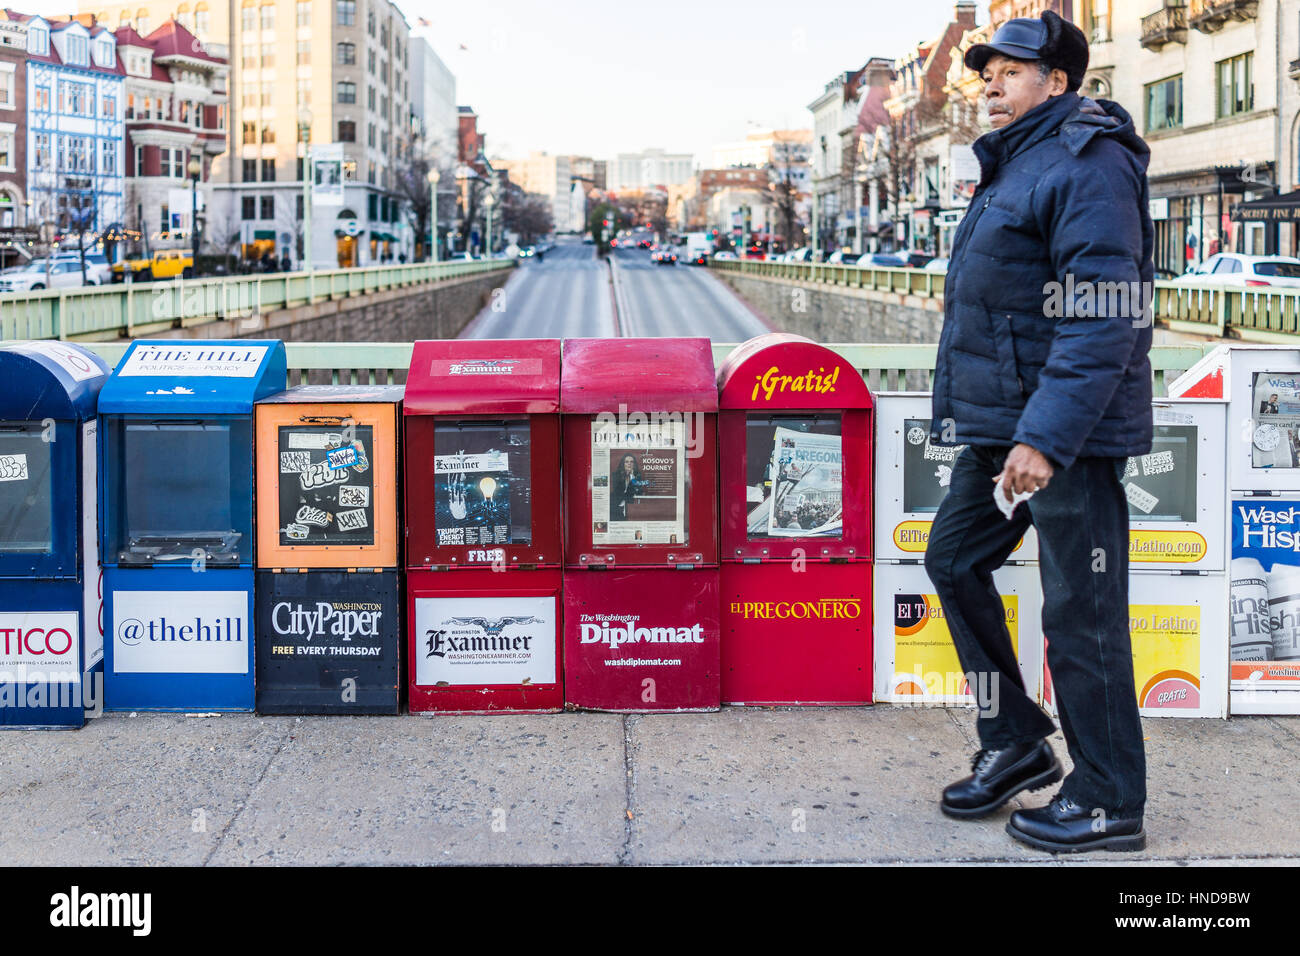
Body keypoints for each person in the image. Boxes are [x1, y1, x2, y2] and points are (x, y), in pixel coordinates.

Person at [924, 10, 1153, 853]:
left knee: (1080, 615)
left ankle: (1107, 799)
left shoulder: (1087, 164)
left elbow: (1104, 318)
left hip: (1066, 438)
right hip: (1002, 425)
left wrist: (1048, 439)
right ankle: (1016, 740)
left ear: (1057, 82)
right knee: (952, 560)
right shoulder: (1016, 163)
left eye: (1010, 70)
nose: (990, 80)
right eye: (987, 69)